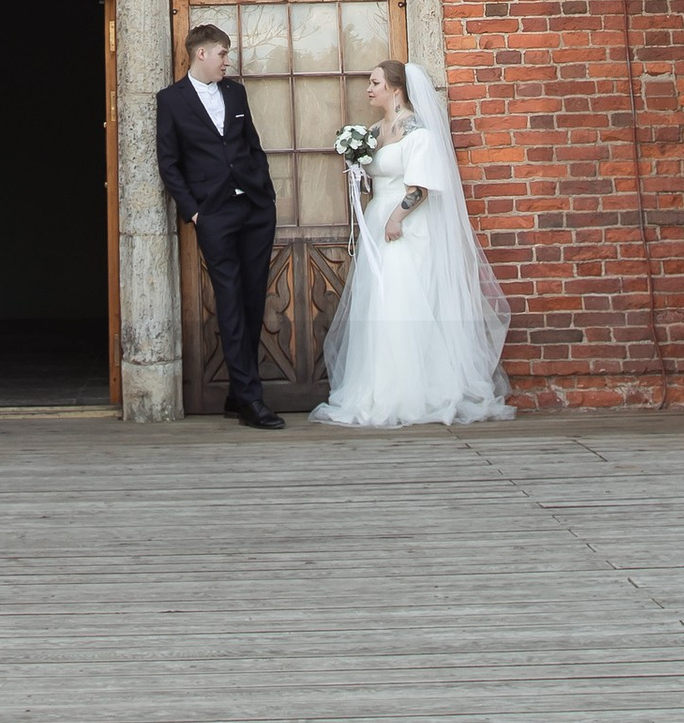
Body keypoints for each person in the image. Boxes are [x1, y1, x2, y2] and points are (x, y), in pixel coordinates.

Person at [310, 58, 511, 430]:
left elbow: (420, 186)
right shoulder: (375, 130)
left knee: (402, 303)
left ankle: (417, 391)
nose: (369, 89)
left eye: (375, 83)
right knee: (378, 308)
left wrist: (396, 219)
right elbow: (375, 175)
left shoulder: (417, 130)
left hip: (405, 226)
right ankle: (380, 387)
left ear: (395, 88)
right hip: (378, 224)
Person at [153, 22, 283, 428]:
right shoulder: (170, 100)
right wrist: (194, 212)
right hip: (214, 215)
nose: (228, 60)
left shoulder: (235, 91)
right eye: (222, 54)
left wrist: (266, 192)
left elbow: (251, 144)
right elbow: (168, 163)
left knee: (252, 299)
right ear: (202, 55)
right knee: (228, 300)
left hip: (256, 209)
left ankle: (236, 393)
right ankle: (250, 399)